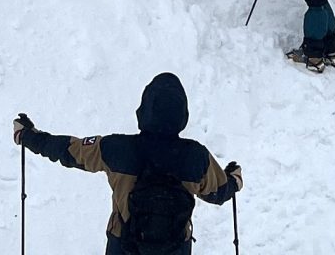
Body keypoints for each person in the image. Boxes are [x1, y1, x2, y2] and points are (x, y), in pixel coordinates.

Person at [13, 73, 241, 255]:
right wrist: (234, 179)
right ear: (183, 115)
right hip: (175, 248)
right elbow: (219, 193)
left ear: (143, 110)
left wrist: (29, 136)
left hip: (123, 245)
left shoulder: (116, 149)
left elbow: (68, 151)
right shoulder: (195, 157)